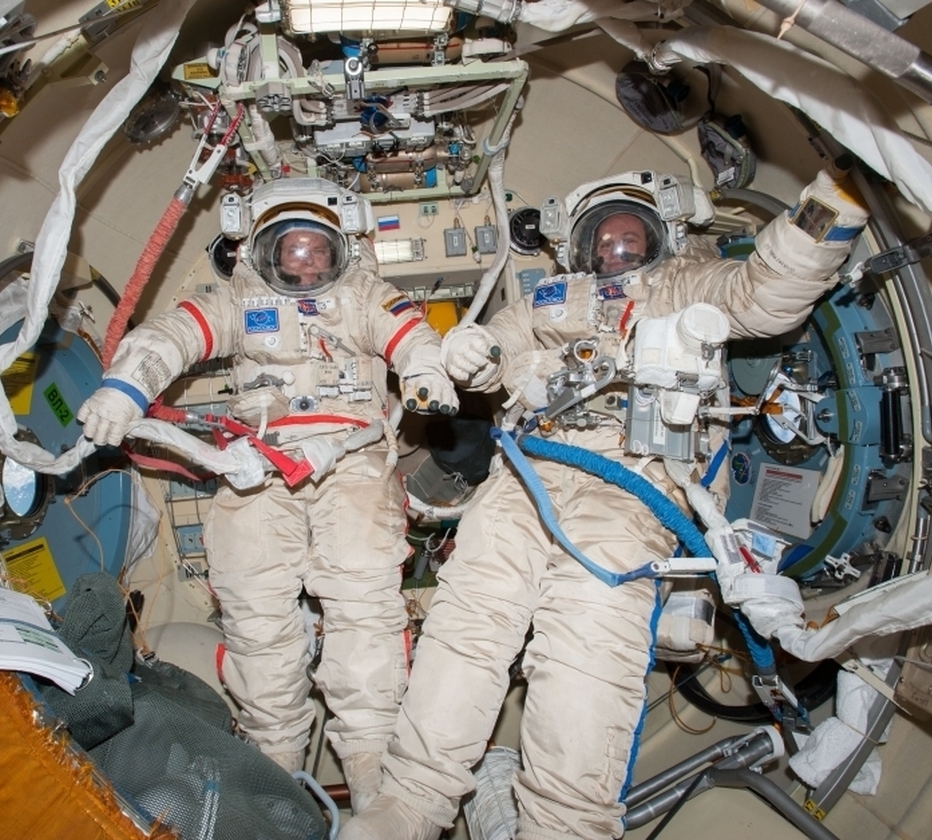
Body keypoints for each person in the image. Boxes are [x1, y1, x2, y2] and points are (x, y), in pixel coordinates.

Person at [342, 167, 869, 840]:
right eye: (604, 237)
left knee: (587, 647)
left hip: (632, 481)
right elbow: (500, 352)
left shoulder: (687, 283)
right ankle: (411, 802)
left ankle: (562, 826)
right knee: (466, 623)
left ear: (659, 237)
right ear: (580, 247)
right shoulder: (551, 298)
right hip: (530, 473)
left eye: (632, 234)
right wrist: (474, 357)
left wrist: (823, 221)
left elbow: (765, 296)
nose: (617, 248)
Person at [77, 177, 458, 812]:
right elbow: (171, 336)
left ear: (340, 252)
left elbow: (413, 335)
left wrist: (423, 369)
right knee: (254, 609)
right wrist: (124, 389)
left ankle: (370, 762)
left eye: (317, 251)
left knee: (364, 602)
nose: (305, 263)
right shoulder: (237, 300)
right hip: (257, 464)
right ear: (264, 253)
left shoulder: (365, 296)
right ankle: (274, 757)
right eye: (291, 250)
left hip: (351, 459)